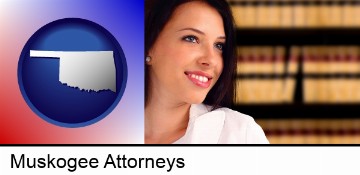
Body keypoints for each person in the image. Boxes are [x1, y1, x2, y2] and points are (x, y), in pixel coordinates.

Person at [145, 0, 269, 144]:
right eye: (191, 38)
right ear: (148, 46)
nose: (211, 60)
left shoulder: (240, 134)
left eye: (219, 45)